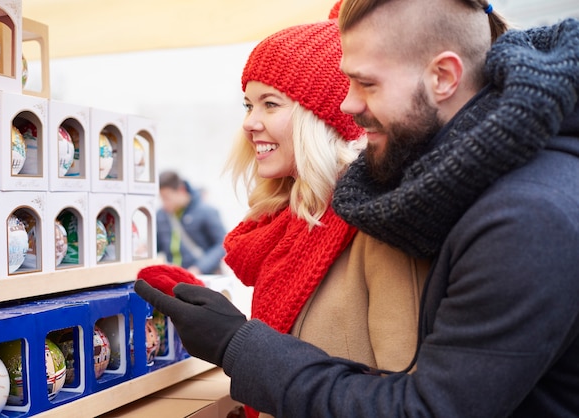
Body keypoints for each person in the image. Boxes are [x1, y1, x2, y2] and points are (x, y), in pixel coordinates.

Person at [135, 0, 579, 416]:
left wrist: (236, 343)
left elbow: (424, 406)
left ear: (443, 77)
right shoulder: (451, 193)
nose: (346, 105)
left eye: (366, 83)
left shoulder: (525, 218)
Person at [139, 4, 430, 418]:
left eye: (270, 104)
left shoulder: (378, 225)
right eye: (248, 105)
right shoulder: (285, 222)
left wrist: (235, 341)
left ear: (325, 118)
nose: (249, 123)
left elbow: (401, 401)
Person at [155, 170, 226, 275]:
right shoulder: (161, 215)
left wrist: (199, 268)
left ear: (181, 190)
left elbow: (223, 244)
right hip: (174, 278)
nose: (164, 203)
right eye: (161, 198)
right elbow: (158, 245)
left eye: (167, 198)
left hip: (203, 278)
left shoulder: (207, 211)